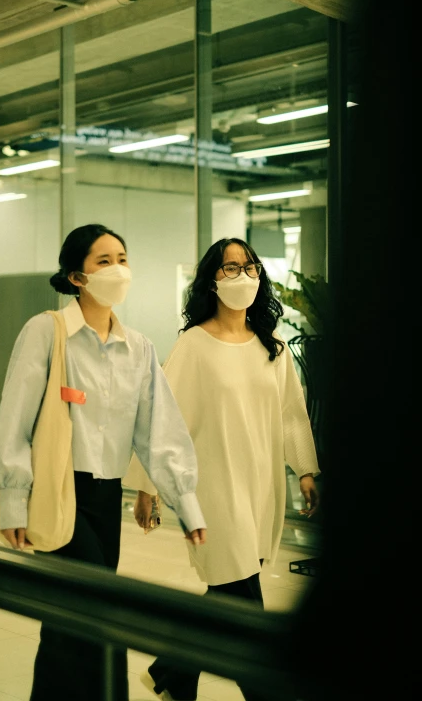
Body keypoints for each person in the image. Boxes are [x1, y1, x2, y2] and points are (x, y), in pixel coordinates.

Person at [0, 222, 207, 701]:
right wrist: (12, 499)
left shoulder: (139, 349)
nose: (118, 270)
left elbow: (159, 431)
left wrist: (185, 503)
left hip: (106, 500)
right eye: (103, 261)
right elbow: (15, 418)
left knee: (67, 624)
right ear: (76, 277)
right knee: (101, 617)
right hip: (59, 492)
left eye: (123, 259)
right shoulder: (47, 332)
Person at [128, 236, 320, 701]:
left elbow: (292, 414)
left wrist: (307, 471)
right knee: (242, 598)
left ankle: (173, 671)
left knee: (229, 589)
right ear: (211, 282)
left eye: (249, 267)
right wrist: (146, 487)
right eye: (230, 268)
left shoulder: (271, 347)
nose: (242, 276)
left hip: (259, 487)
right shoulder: (193, 346)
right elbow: (163, 419)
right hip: (212, 488)